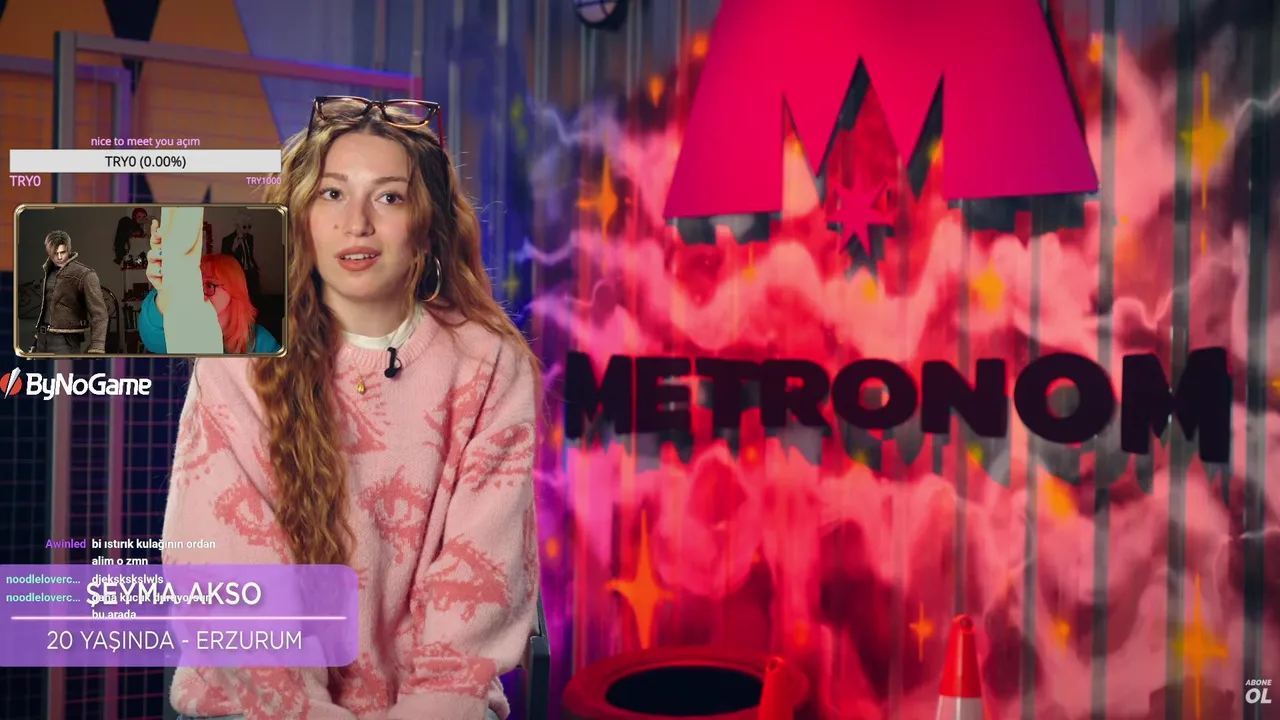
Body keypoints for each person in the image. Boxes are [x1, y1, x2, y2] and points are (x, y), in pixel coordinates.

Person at [162, 96, 539, 720]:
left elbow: (480, 572)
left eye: (389, 197)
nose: (356, 222)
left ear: (427, 225)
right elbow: (227, 567)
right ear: (300, 215)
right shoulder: (239, 358)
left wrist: (431, 708)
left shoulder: (487, 363)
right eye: (332, 193)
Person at [137, 252, 281, 354]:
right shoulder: (188, 330)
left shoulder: (262, 342)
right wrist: (165, 295)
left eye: (210, 285)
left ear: (234, 291)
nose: (199, 294)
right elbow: (153, 338)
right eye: (196, 285)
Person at [29, 230, 108, 354]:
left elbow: (99, 313)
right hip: (42, 337)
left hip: (66, 340)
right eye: (55, 253)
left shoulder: (84, 274)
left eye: (63, 252)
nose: (59, 257)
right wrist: (38, 337)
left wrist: (97, 346)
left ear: (69, 250)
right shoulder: (49, 271)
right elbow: (48, 306)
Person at [221, 212, 261, 306]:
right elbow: (225, 259)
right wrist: (234, 247)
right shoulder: (228, 239)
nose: (247, 229)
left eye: (249, 227)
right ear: (237, 226)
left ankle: (255, 309)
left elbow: (249, 254)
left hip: (251, 269)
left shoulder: (250, 238)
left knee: (254, 295)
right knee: (241, 296)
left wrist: (254, 267)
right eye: (244, 227)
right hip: (237, 271)